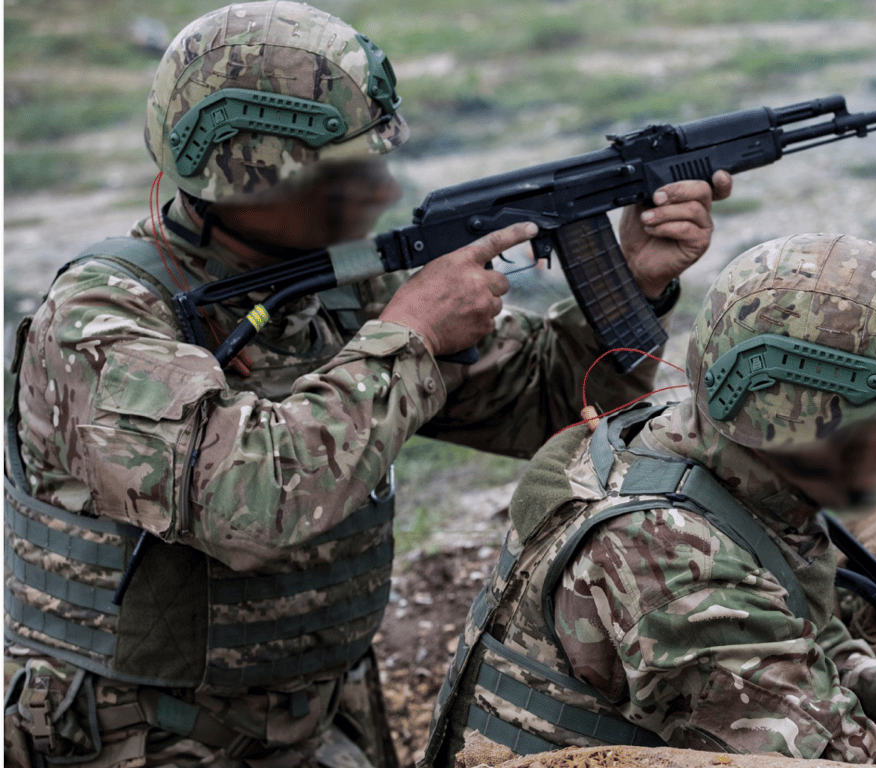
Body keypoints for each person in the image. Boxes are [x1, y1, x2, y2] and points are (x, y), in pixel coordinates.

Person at [1, 2, 731, 767]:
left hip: (320, 721)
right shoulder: (101, 322)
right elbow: (245, 506)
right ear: (251, 173)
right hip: (130, 739)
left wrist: (631, 285)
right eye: (347, 173)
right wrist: (411, 337)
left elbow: (544, 405)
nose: (380, 191)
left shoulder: (341, 287)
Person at [421, 233, 876, 768]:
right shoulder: (674, 559)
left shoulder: (689, 449)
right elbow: (835, 757)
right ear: (790, 420)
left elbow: (787, 629)